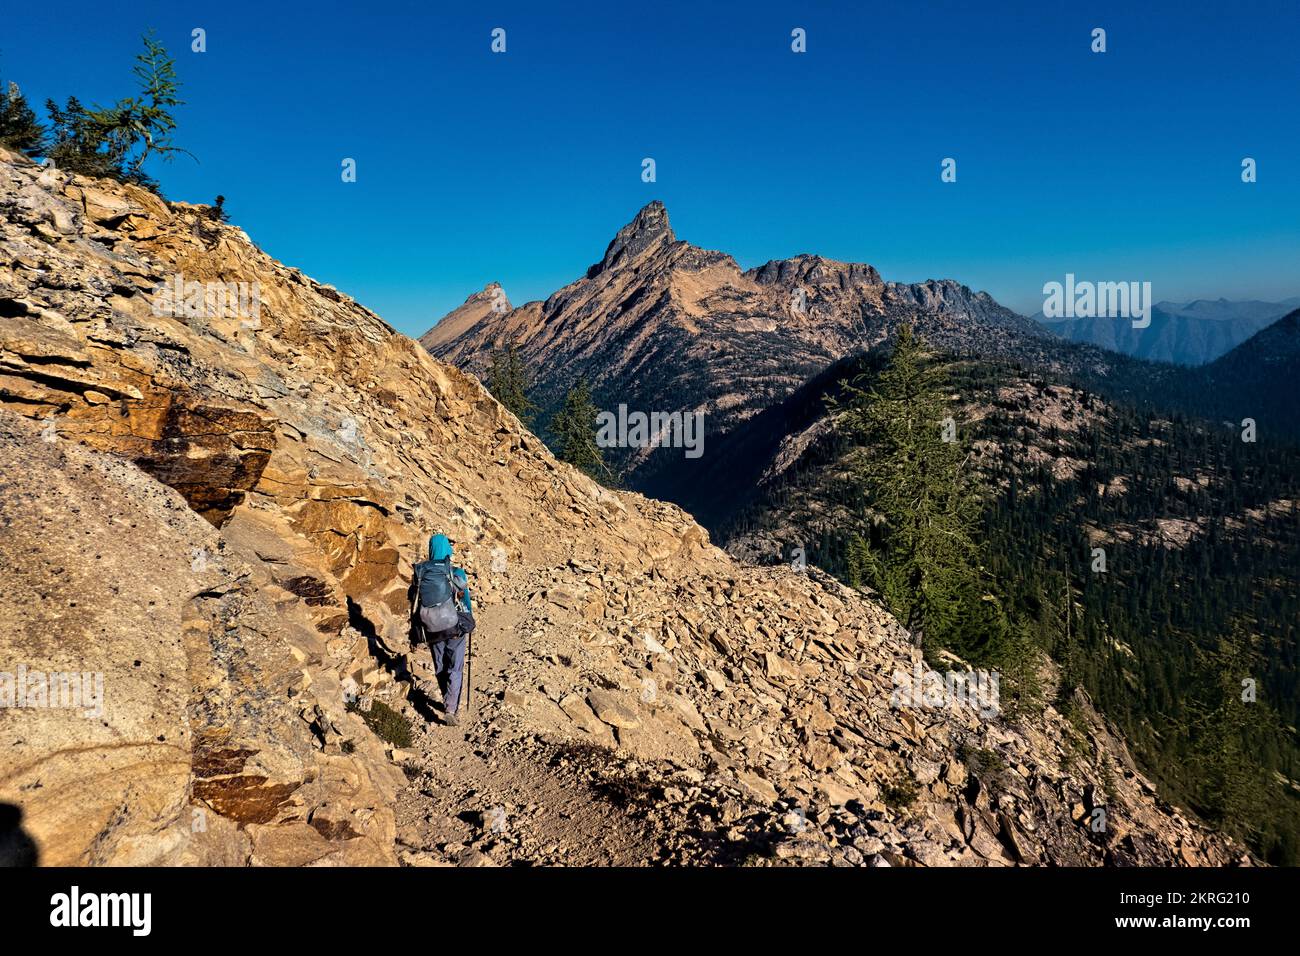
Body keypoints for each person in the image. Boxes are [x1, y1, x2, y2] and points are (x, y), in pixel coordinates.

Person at [410, 533, 473, 725]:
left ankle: (447, 700)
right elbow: (465, 601)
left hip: (431, 628)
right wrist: (468, 619)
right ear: (447, 549)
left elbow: (412, 600)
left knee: (440, 665)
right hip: (454, 627)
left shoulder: (421, 573)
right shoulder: (456, 572)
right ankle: (450, 708)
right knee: (455, 666)